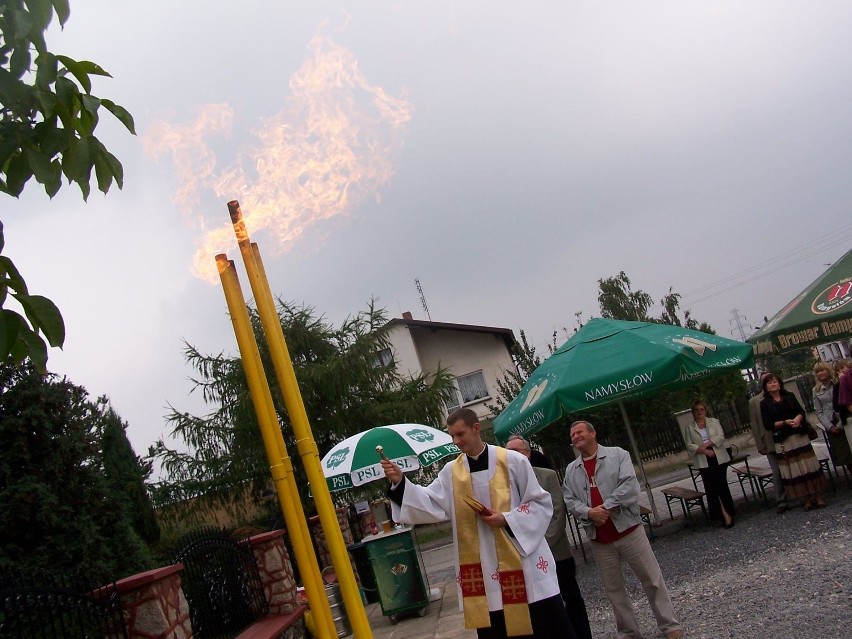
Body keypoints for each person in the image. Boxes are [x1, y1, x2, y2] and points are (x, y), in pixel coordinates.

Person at [381, 408, 576, 639]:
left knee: (544, 625)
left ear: (476, 428)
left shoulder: (512, 461)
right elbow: (429, 502)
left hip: (522, 559)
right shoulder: (451, 472)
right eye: (452, 435)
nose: (456, 441)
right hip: (483, 566)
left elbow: (540, 503)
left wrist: (506, 518)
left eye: (460, 434)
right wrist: (400, 482)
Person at [562, 420, 683, 639]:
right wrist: (590, 512)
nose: (575, 437)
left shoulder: (618, 455)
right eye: (572, 435)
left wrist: (606, 507)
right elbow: (569, 500)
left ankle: (669, 625)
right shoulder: (572, 470)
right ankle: (628, 632)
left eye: (579, 432)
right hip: (600, 539)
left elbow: (630, 486)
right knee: (614, 590)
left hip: (628, 530)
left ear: (593, 433)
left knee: (652, 580)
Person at [506, 435, 592, 639]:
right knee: (545, 606)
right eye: (508, 452)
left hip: (556, 551)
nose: (512, 456)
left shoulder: (547, 476)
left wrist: (538, 544)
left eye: (516, 451)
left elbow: (557, 512)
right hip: (526, 556)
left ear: (527, 453)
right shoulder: (505, 483)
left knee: (571, 597)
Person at [759, 372, 827, 510]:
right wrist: (784, 422)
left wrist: (797, 419)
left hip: (799, 435)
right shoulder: (764, 403)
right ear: (765, 387)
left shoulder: (789, 396)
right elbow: (767, 424)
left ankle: (818, 496)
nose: (773, 384)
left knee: (809, 466)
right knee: (795, 470)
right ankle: (806, 499)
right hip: (783, 439)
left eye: (775, 381)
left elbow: (801, 411)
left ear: (779, 383)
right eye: (770, 382)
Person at [680, 400, 735, 528]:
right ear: (693, 412)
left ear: (705, 410)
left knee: (722, 486)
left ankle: (728, 513)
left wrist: (707, 444)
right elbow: (689, 445)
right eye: (696, 410)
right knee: (711, 489)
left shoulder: (713, 422)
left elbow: (720, 436)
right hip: (703, 460)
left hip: (718, 458)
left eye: (701, 409)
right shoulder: (690, 428)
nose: (699, 412)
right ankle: (719, 515)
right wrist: (703, 450)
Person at [748, 373, 789, 513]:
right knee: (776, 471)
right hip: (768, 440)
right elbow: (754, 424)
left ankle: (795, 493)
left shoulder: (783, 395)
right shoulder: (755, 401)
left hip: (785, 437)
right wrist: (760, 445)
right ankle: (781, 499)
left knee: (790, 466)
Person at [813, 361, 852, 474]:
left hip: (844, 418)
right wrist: (829, 427)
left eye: (823, 370)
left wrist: (840, 425)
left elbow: (845, 403)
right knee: (844, 455)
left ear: (828, 370)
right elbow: (818, 411)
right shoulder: (816, 390)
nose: (820, 373)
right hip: (830, 422)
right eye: (818, 371)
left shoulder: (838, 382)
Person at [835, 359, 852, 452]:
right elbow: (838, 406)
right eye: (837, 370)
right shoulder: (837, 386)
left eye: (842, 368)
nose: (840, 371)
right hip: (848, 418)